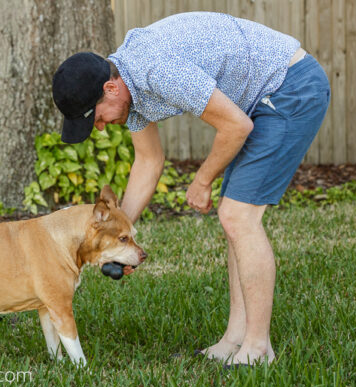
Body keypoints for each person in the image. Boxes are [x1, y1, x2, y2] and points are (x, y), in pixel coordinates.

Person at [51, 12, 330, 366]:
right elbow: (148, 162)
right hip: (262, 97)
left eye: (98, 117)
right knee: (234, 219)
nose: (102, 127)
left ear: (110, 89)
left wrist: (202, 181)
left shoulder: (154, 70)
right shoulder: (129, 84)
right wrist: (118, 239)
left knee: (237, 216)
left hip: (290, 87)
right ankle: (235, 339)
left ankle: (258, 348)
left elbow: (236, 126)